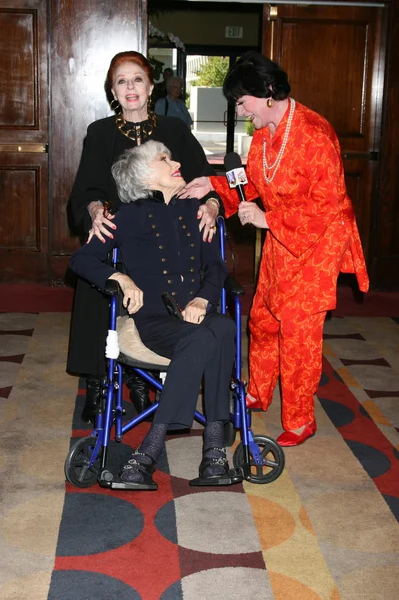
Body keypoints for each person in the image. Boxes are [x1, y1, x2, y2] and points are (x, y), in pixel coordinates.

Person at [182, 52, 369, 447]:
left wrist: (269, 220)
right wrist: (212, 186)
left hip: (316, 245)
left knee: (298, 334)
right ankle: (259, 391)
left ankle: (301, 419)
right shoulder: (265, 134)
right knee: (263, 319)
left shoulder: (315, 134)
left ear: (267, 92)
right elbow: (252, 183)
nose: (239, 109)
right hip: (282, 243)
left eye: (241, 101)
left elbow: (328, 207)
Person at [69, 141, 242, 490]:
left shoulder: (195, 211)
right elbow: (81, 260)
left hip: (198, 317)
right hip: (155, 321)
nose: (176, 162)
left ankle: (171, 453)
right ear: (145, 174)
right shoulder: (125, 217)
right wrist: (119, 276)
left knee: (223, 326)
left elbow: (217, 267)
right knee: (210, 336)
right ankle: (192, 452)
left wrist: (203, 300)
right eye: (166, 159)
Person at [67, 51, 220, 423]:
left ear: (150, 87)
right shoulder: (100, 132)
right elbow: (85, 189)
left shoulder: (174, 130)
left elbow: (203, 178)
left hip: (168, 231)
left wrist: (213, 204)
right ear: (113, 92)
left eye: (137, 79)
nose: (130, 87)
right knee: (96, 271)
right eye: (122, 81)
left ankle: (142, 381)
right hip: (122, 227)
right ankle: (99, 379)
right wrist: (94, 211)